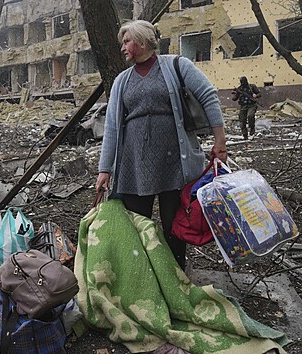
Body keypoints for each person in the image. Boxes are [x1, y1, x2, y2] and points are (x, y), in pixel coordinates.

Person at [95, 20, 227, 271]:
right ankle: (142, 277)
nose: (122, 47)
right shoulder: (122, 80)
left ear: (142, 42)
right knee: (136, 226)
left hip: (173, 162)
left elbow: (208, 96)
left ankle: (176, 276)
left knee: (174, 227)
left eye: (127, 41)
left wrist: (220, 143)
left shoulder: (176, 65)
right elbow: (112, 126)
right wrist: (105, 169)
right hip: (134, 164)